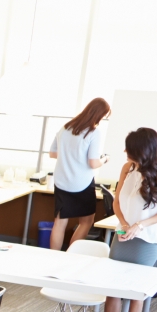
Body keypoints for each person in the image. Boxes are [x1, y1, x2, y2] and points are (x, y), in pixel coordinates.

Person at [92, 127, 157, 312]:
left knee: (136, 291)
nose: (125, 152)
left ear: (143, 150)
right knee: (113, 289)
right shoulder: (128, 168)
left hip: (147, 240)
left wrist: (140, 225)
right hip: (124, 235)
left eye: (130, 149)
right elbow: (117, 202)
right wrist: (126, 224)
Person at [48, 97, 110, 250]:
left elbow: (52, 153)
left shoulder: (65, 128)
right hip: (82, 182)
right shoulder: (93, 132)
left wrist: (68, 155)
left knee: (59, 223)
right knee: (86, 222)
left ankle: (53, 257)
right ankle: (71, 256)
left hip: (62, 181)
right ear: (99, 115)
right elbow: (93, 163)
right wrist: (104, 159)